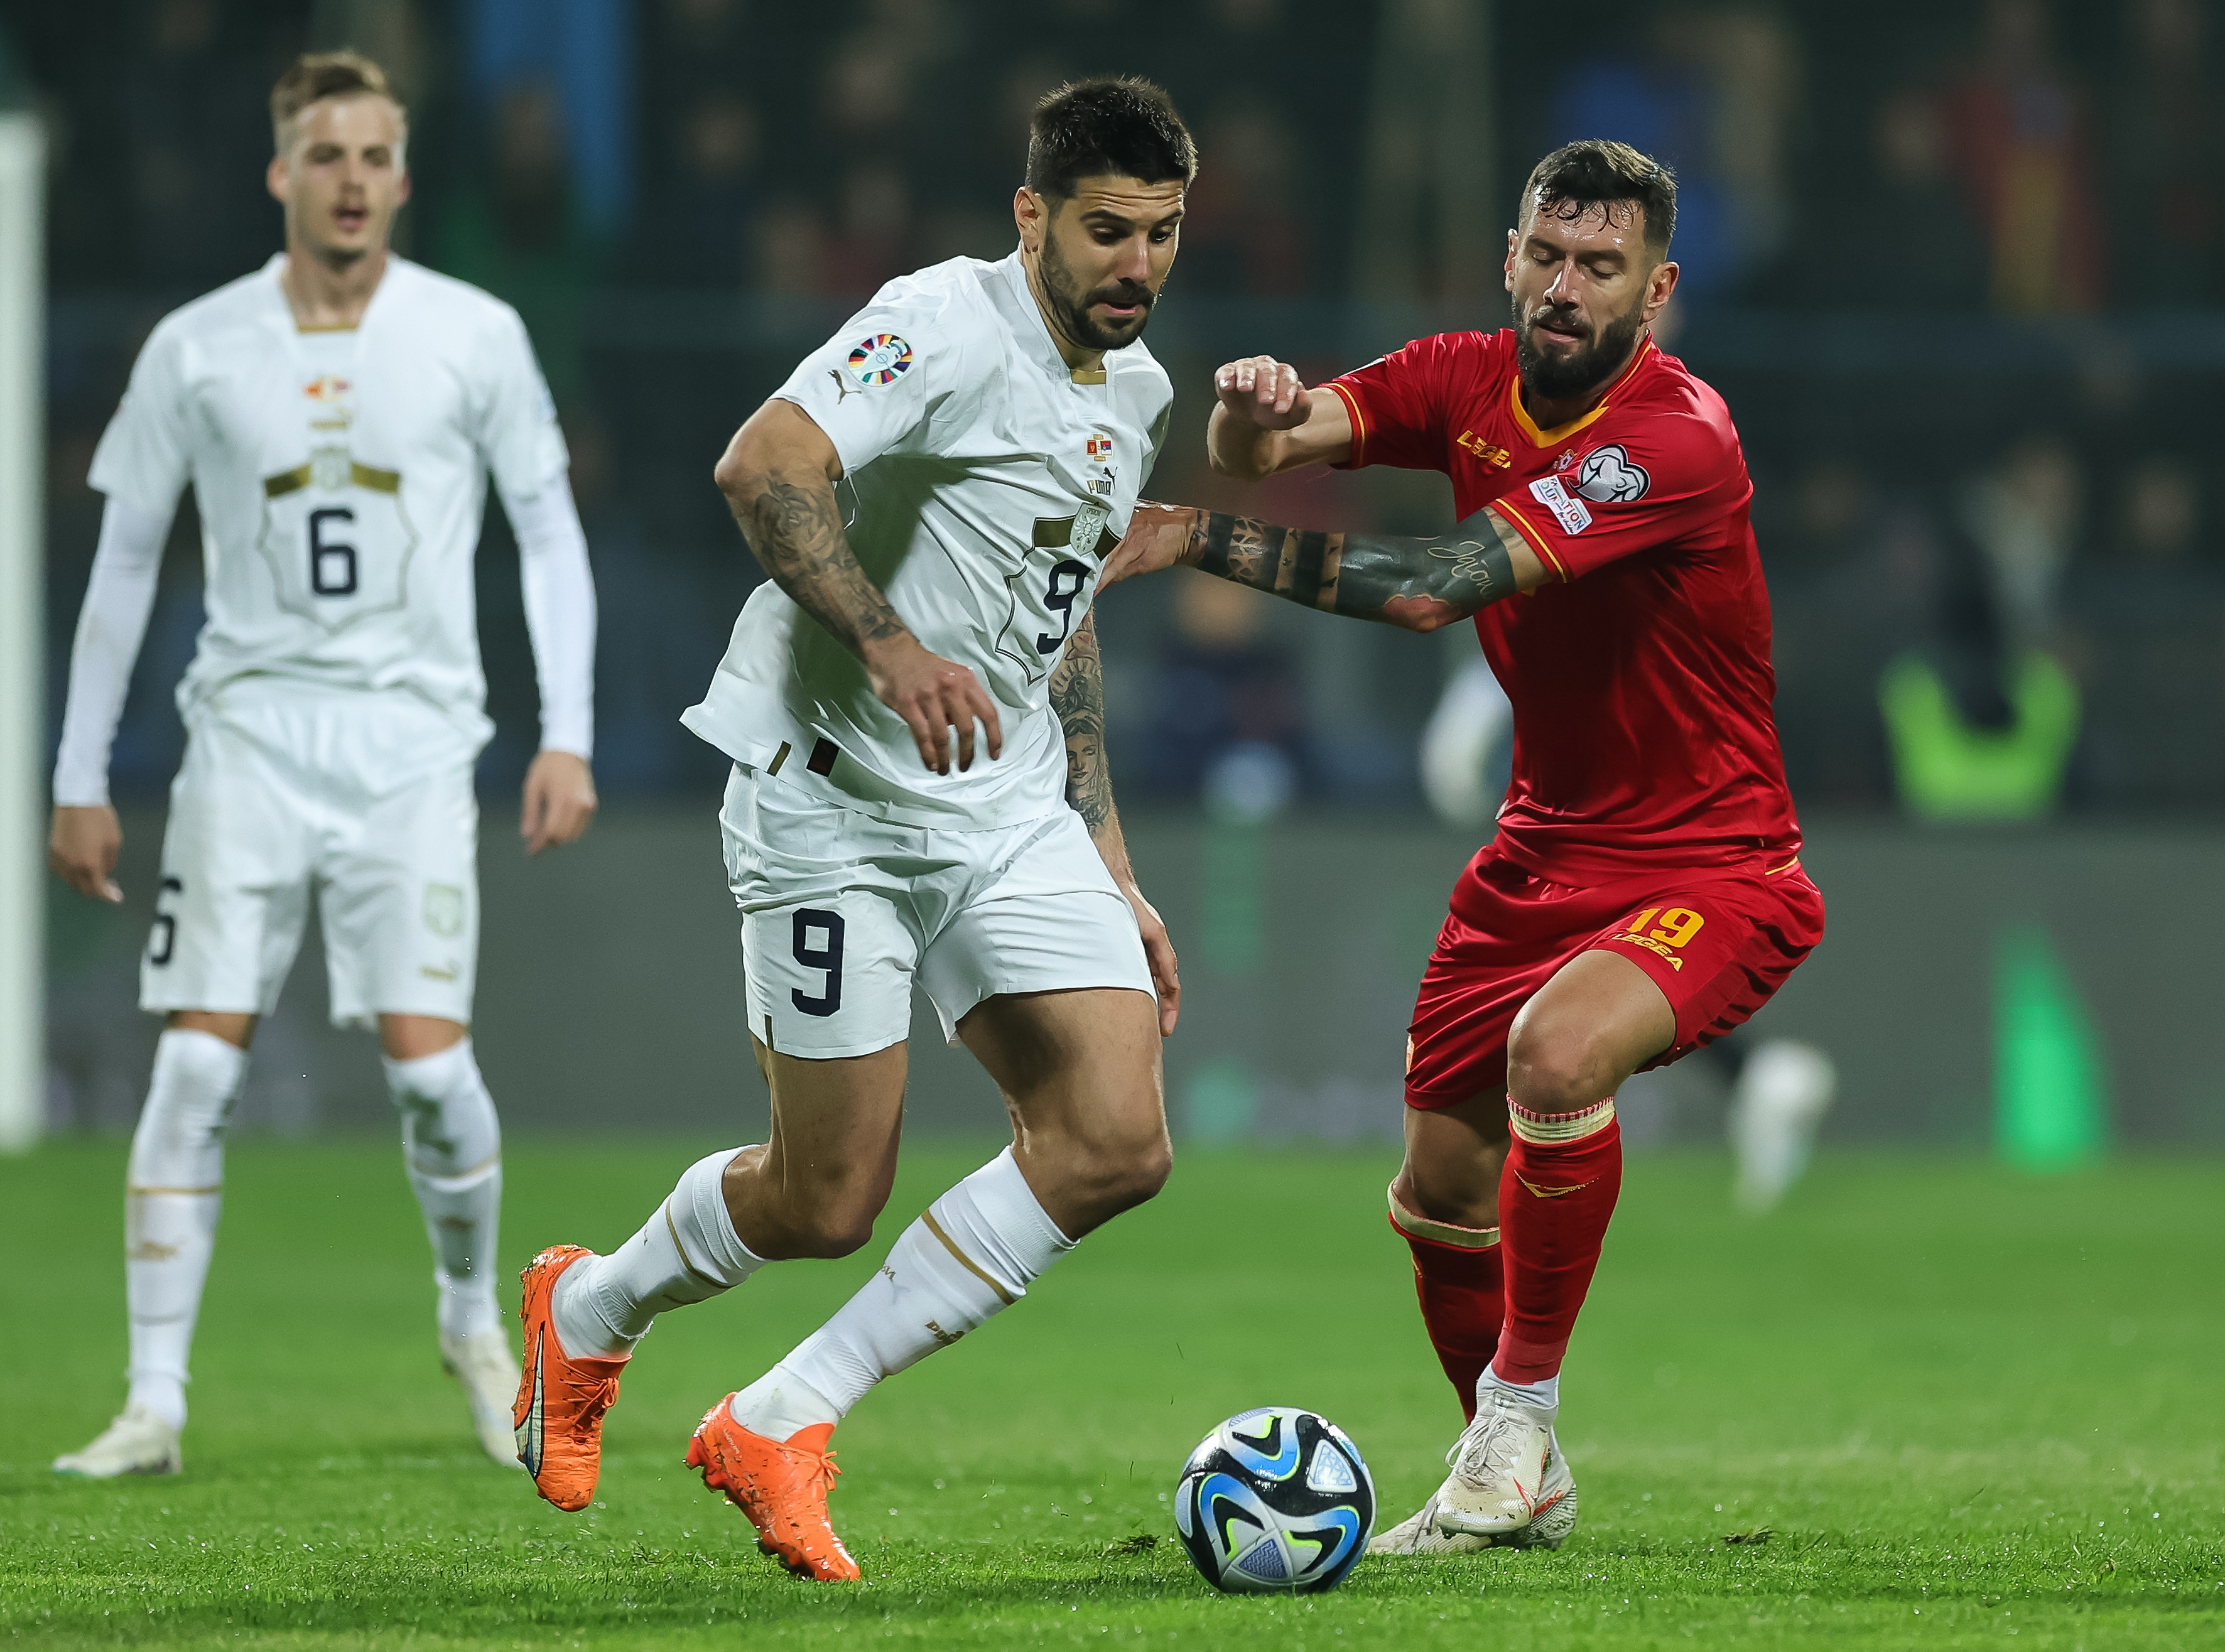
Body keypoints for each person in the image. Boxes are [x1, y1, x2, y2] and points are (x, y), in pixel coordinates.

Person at [512, 77, 1188, 1583]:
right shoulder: (941, 321)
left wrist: (1110, 863)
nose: (1133, 265)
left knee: (1115, 1138)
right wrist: (886, 645)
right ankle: (587, 1312)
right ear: (1030, 218)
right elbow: (766, 461)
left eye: (1158, 234)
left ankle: (781, 1412)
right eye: (1102, 231)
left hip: (1003, 804)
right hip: (832, 795)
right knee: (825, 1197)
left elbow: (1057, 627)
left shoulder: (1135, 399)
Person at [1107, 139, 1824, 1557]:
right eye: (1546, 256)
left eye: (1599, 268)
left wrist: (1196, 532)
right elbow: (1288, 438)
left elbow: (1437, 586)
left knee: (1554, 1059)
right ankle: (1516, 1466)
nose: (1564, 289)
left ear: (1655, 290)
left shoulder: (1672, 439)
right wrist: (1252, 418)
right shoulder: (1458, 376)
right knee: (1438, 1184)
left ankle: (1510, 1424)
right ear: (1510, 255)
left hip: (1711, 861)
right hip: (1535, 853)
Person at [46, 53, 600, 1477]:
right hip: (248, 735)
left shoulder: (474, 334)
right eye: (323, 153)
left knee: (429, 1077)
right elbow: (119, 559)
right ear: (279, 175)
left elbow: (546, 535)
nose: (350, 178)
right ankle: (154, 1399)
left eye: (373, 155)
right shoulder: (195, 345)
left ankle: (472, 1318)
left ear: (404, 181)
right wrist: (78, 770)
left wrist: (567, 731)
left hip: (415, 742)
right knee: (189, 1061)